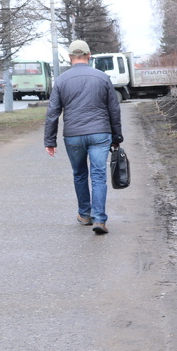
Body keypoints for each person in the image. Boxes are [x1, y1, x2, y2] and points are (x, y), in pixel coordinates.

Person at [44, 40, 123, 234]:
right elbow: (114, 110)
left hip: (73, 136)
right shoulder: (102, 77)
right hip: (100, 133)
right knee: (98, 176)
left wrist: (50, 141)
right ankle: (100, 219)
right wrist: (117, 136)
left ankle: (84, 214)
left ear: (70, 58)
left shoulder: (61, 80)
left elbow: (52, 112)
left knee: (80, 174)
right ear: (88, 56)